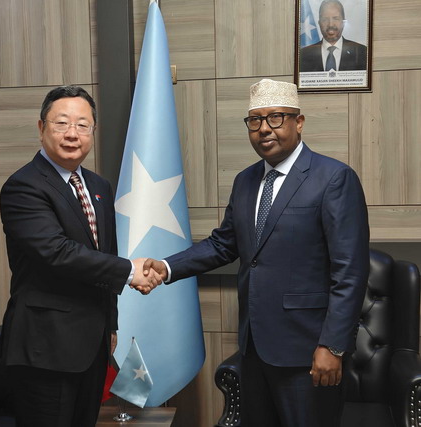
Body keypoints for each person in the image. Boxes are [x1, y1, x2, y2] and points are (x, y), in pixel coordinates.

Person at [143, 79, 370, 426]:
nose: (264, 128)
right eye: (255, 120)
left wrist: (333, 346)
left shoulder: (334, 178)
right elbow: (223, 244)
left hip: (308, 352)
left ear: (299, 122)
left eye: (276, 117)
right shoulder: (245, 181)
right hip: (255, 349)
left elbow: (350, 271)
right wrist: (165, 267)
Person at [0, 85, 160, 427]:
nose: (72, 134)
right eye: (61, 123)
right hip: (45, 347)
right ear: (41, 128)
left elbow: (105, 254)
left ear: (92, 131)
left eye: (82, 125)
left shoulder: (99, 187)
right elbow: (56, 252)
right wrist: (130, 271)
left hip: (94, 344)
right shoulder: (24, 186)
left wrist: (111, 324)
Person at [300, 0, 367, 72]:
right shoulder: (303, 55)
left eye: (335, 18)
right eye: (325, 19)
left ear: (343, 22)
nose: (330, 24)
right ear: (319, 23)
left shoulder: (362, 52)